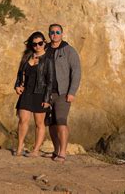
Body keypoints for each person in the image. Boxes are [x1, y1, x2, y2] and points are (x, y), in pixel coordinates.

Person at [45, 24, 81, 162]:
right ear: (49, 34)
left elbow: (76, 72)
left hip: (62, 93)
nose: (54, 34)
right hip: (47, 93)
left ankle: (63, 153)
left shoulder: (69, 51)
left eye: (57, 32)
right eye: (52, 32)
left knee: (61, 122)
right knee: (51, 123)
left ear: (62, 34)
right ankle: (55, 150)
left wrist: (72, 92)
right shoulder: (45, 49)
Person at [14, 31, 54, 157]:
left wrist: (47, 99)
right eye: (35, 44)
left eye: (40, 43)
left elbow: (50, 81)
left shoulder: (48, 60)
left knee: (39, 123)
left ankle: (36, 150)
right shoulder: (26, 57)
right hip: (26, 93)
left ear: (44, 43)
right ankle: (20, 147)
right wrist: (17, 85)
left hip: (40, 94)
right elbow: (20, 74)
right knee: (23, 120)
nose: (37, 46)